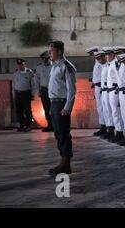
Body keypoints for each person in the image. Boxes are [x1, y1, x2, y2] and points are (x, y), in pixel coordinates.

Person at [47, 40, 76, 176]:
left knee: (64, 134)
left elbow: (71, 90)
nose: (49, 53)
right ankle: (63, 161)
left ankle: (66, 163)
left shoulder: (66, 66)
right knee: (58, 134)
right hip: (54, 103)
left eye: (51, 51)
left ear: (59, 51)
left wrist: (67, 108)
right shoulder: (54, 66)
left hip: (61, 103)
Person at [86, 46, 107, 137]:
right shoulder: (97, 63)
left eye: (92, 54)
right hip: (98, 87)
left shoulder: (101, 64)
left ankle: (105, 127)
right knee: (100, 108)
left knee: (103, 108)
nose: (92, 56)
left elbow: (103, 77)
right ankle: (103, 126)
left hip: (101, 88)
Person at [12, 58, 36, 132]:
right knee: (19, 111)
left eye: (21, 65)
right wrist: (14, 94)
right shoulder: (16, 73)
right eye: (19, 65)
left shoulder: (29, 72)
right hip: (18, 93)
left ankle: (28, 125)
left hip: (26, 93)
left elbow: (33, 84)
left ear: (24, 64)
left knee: (27, 110)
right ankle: (21, 125)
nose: (20, 66)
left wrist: (33, 94)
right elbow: (14, 84)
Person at [36, 51, 53, 132]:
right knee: (46, 108)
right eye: (43, 60)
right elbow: (37, 80)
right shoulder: (39, 67)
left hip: (53, 89)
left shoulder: (53, 66)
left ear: (49, 58)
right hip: (44, 89)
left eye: (46, 59)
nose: (45, 61)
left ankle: (55, 125)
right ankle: (50, 125)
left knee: (54, 108)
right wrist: (38, 90)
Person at [100, 48, 115, 140]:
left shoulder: (114, 65)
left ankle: (114, 131)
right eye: (106, 55)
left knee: (113, 112)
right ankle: (110, 129)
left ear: (113, 55)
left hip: (113, 90)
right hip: (106, 90)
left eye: (109, 54)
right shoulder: (107, 66)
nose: (107, 56)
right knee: (107, 111)